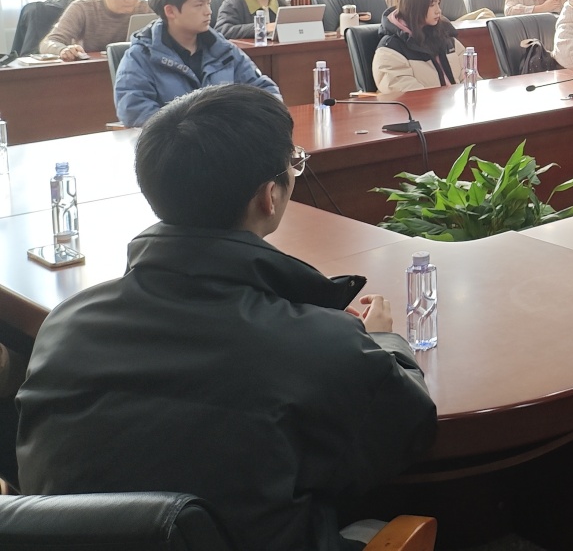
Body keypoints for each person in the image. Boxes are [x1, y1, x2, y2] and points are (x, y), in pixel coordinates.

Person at [16, 85, 437, 551]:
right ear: (269, 197)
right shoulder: (317, 343)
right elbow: (407, 433)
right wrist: (381, 342)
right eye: (294, 162)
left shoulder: (65, 325)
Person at [115, 0, 281, 128]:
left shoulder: (224, 49)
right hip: (173, 144)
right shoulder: (140, 56)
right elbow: (134, 110)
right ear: (170, 11)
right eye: (199, 5)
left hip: (228, 138)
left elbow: (263, 89)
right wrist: (191, 132)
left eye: (208, 3)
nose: (209, 11)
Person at [373, 0, 469, 93]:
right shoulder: (390, 49)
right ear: (414, 6)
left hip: (455, 103)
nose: (438, 10)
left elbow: (469, 74)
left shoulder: (445, 37)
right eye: (432, 5)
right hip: (425, 105)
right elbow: (407, 94)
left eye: (438, 3)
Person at [38, 0, 151, 59]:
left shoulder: (146, 8)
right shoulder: (83, 8)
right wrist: (63, 50)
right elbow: (48, 43)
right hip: (91, 69)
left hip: (134, 67)